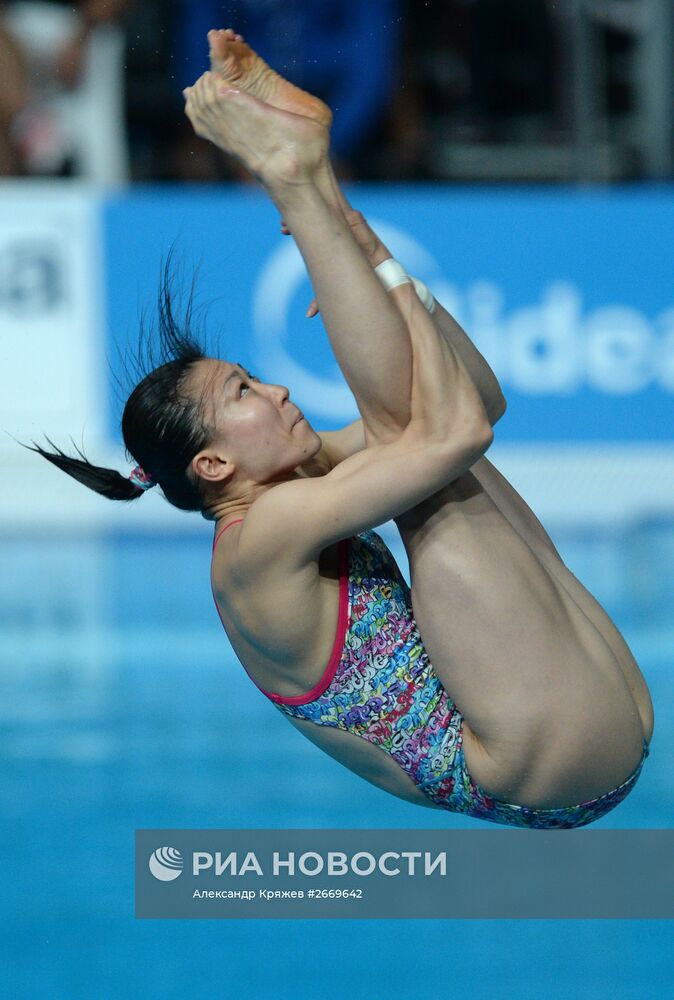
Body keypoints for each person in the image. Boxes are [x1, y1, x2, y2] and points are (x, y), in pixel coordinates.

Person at [30, 29, 654, 828]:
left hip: (582, 728)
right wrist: (373, 269)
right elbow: (452, 430)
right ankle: (295, 179)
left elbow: (480, 401)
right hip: (544, 762)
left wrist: (372, 251)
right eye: (246, 390)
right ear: (215, 465)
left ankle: (307, 179)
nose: (280, 388)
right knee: (418, 448)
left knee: (420, 444)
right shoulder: (260, 538)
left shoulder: (294, 483)